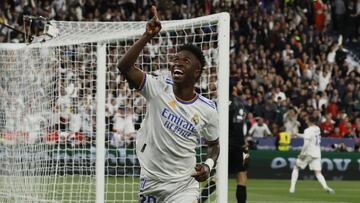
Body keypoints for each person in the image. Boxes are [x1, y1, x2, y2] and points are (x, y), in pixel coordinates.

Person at [117, 6, 220, 202]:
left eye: (186, 61)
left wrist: (207, 165)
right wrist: (147, 36)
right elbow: (124, 67)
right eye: (175, 60)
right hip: (151, 181)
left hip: (184, 185)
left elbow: (214, 145)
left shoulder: (208, 109)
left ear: (197, 72)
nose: (178, 63)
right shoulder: (157, 87)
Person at [289, 115, 335, 194]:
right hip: (317, 153)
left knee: (296, 167)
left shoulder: (307, 130)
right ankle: (326, 188)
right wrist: (298, 134)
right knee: (318, 172)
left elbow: (306, 143)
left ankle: (292, 188)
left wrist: (302, 154)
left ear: (310, 121)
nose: (306, 121)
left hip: (308, 153)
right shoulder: (317, 128)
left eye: (307, 120)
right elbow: (310, 137)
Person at [229, 100, 250, 203]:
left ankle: (201, 198)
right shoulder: (237, 105)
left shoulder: (243, 123)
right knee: (242, 176)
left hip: (235, 147)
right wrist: (243, 144)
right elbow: (238, 132)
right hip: (237, 148)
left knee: (242, 175)